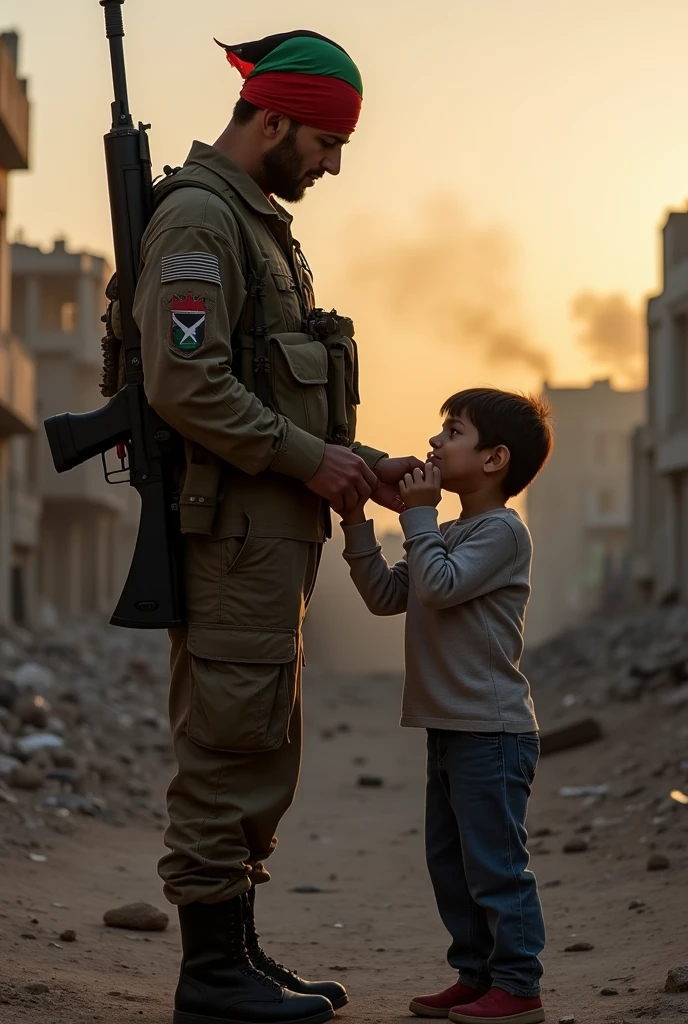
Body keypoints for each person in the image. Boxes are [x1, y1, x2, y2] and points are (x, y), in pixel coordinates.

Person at [133, 28, 421, 1024]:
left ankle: (239, 957)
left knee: (260, 740)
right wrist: (312, 460)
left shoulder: (255, 225)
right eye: (326, 141)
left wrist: (359, 461)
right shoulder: (200, 223)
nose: (334, 163)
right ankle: (210, 978)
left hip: (267, 532)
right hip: (232, 538)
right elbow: (184, 381)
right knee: (227, 744)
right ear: (272, 118)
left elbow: (274, 388)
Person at [340, 388, 553, 1024]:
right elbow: (388, 595)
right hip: (452, 728)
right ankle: (476, 974)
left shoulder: (503, 532)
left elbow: (439, 585)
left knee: (496, 865)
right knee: (452, 863)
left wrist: (419, 515)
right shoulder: (451, 529)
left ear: (494, 460)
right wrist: (355, 522)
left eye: (452, 432)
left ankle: (518, 986)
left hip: (493, 730)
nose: (434, 444)